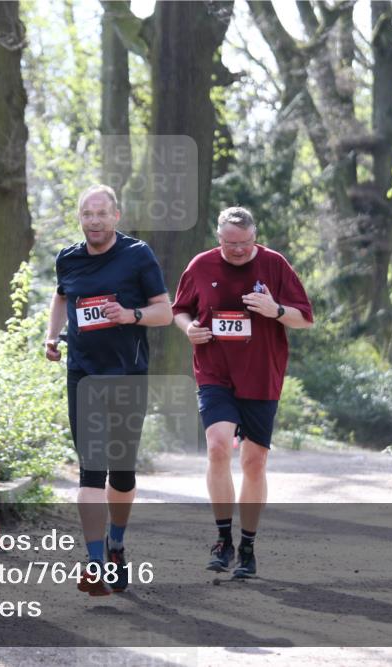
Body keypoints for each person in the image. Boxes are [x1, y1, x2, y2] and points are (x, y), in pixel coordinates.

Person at [172, 206, 313, 578]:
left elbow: (304, 319)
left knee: (254, 462)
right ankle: (222, 540)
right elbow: (179, 311)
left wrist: (275, 309)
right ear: (218, 238)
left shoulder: (275, 265)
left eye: (244, 243)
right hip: (214, 372)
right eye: (229, 243)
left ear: (255, 236)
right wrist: (189, 330)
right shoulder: (200, 265)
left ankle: (247, 546)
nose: (236, 250)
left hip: (261, 375)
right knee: (218, 446)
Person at [45, 184, 172, 596]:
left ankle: (116, 543)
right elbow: (62, 295)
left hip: (128, 375)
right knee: (91, 470)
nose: (94, 220)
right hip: (83, 375)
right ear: (79, 218)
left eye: (101, 213)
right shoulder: (68, 258)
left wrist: (130, 314)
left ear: (116, 216)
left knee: (121, 473)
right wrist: (52, 336)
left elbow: (164, 312)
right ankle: (95, 559)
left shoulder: (138, 255)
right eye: (86, 214)